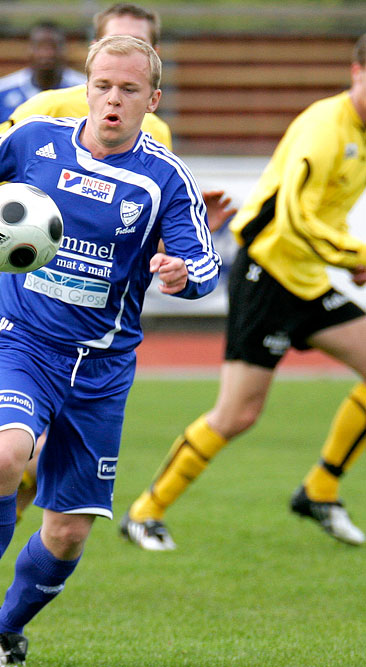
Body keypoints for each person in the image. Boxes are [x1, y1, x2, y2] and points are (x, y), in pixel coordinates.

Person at [0, 2, 236, 606]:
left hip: (99, 322)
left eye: (138, 58)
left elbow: (154, 227)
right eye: (107, 66)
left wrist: (182, 257)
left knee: (36, 478)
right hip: (17, 284)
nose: (114, 91)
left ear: (153, 87)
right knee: (13, 453)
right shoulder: (41, 116)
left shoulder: (158, 149)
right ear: (92, 58)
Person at [120, 32, 366, 552]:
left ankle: (320, 489)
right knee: (237, 415)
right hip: (268, 277)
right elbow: (295, 219)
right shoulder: (325, 129)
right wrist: (354, 257)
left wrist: (345, 257)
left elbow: (323, 219)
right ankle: (145, 512)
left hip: (313, 278)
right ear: (356, 72)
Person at [0, 20, 85, 444]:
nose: (46, 52)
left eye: (54, 45)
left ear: (65, 50)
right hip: (11, 222)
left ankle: (58, 403)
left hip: (61, 223)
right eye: (39, 45)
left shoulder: (86, 89)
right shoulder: (3, 90)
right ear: (29, 51)